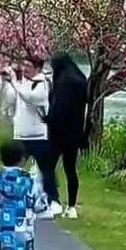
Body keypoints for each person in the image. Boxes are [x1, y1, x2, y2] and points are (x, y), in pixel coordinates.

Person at [0, 57, 58, 211]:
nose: (24, 69)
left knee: (46, 170)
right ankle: (9, 197)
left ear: (38, 69)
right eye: (23, 65)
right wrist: (6, 82)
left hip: (38, 135)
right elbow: (11, 99)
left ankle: (53, 201)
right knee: (13, 169)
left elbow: (30, 98)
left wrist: (14, 81)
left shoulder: (42, 83)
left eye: (29, 66)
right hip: (21, 134)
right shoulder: (23, 83)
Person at [47, 52, 88, 220]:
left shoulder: (63, 82)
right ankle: (72, 206)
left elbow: (58, 107)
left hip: (58, 132)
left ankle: (54, 200)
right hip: (75, 132)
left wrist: (48, 119)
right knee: (71, 170)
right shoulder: (81, 79)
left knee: (49, 167)